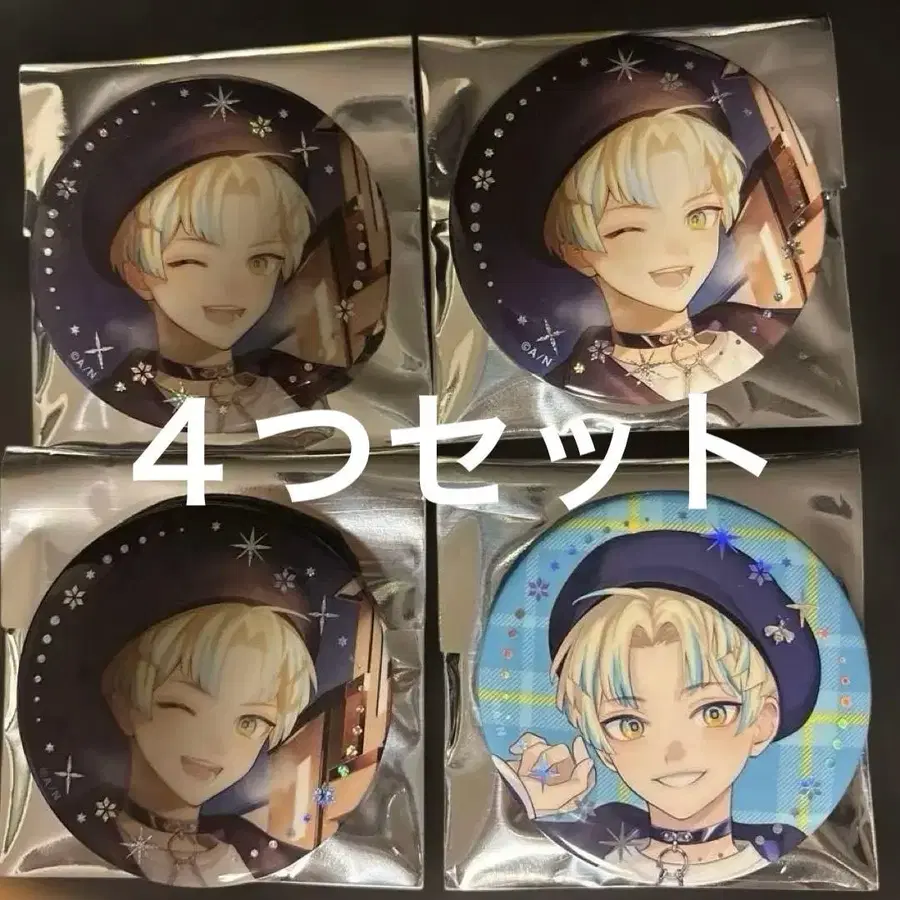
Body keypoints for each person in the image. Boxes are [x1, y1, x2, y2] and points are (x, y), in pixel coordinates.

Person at [493, 530, 819, 886]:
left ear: (763, 722)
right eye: (629, 724)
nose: (673, 753)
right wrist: (546, 812)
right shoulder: (592, 848)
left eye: (712, 712)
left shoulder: (791, 858)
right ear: (602, 745)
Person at [543, 106, 789, 402]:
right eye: (631, 228)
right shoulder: (574, 387)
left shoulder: (761, 330)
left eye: (698, 216)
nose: (676, 248)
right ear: (577, 253)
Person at [95, 153, 347, 431]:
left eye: (260, 261)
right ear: (138, 277)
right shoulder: (118, 404)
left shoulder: (296, 389)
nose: (231, 286)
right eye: (192, 261)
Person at [91, 602, 315, 886]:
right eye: (183, 707)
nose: (218, 746)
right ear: (123, 705)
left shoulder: (262, 855)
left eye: (250, 722)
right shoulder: (84, 843)